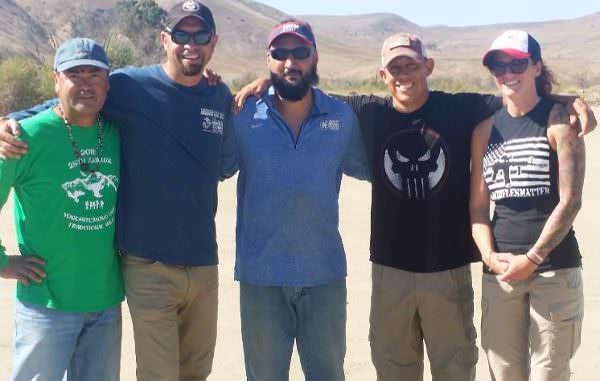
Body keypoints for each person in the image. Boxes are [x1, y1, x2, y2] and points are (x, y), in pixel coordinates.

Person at [234, 32, 595, 381]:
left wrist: (568, 100)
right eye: (395, 69)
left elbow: (519, 97)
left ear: (429, 67)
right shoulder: (366, 111)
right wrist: (264, 86)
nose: (404, 76)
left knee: (454, 370)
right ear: (383, 76)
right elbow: (304, 94)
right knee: (394, 369)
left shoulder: (461, 108)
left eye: (412, 66)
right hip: (391, 271)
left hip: (448, 271)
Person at [0, 1, 232, 380]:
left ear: (214, 42)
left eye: (200, 35)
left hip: (167, 277)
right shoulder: (129, 87)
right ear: (164, 39)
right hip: (123, 275)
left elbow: (227, 157)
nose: (191, 43)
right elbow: (65, 104)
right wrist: (10, 120)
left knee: (196, 373)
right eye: (181, 34)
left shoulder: (217, 95)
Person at [221, 19, 368, 381]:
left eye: (299, 52)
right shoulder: (243, 116)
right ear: (268, 60)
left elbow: (373, 167)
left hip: (324, 277)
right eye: (280, 53)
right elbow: (210, 168)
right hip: (261, 280)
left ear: (314, 56)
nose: (290, 62)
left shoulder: (340, 117)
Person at [0, 38, 122, 381]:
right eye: (74, 74)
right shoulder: (25, 137)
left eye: (94, 75)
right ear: (56, 80)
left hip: (105, 303)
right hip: (45, 306)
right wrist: (3, 263)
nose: (85, 84)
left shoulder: (116, 132)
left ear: (107, 82)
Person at [470, 30, 585, 381]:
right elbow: (477, 208)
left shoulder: (559, 124)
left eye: (516, 63)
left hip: (552, 272)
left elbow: (570, 202)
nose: (507, 73)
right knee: (503, 375)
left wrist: (532, 258)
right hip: (501, 275)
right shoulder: (485, 131)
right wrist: (489, 256)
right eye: (498, 65)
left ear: (536, 66)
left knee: (549, 373)